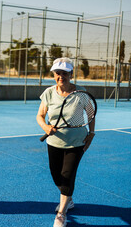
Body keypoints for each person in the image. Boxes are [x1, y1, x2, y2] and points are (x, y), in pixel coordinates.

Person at [36, 57, 95, 227]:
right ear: (54, 74)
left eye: (65, 73)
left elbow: (91, 115)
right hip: (54, 142)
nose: (61, 76)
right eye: (58, 73)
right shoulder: (48, 93)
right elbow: (40, 116)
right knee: (56, 175)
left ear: (71, 74)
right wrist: (46, 127)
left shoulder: (82, 93)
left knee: (67, 175)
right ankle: (68, 199)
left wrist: (91, 134)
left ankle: (61, 213)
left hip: (77, 142)